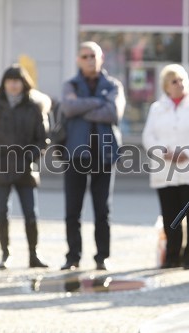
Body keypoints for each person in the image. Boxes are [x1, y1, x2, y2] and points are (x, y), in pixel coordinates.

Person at [0, 64, 51, 270]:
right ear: (4, 83)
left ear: (24, 83)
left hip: (25, 169)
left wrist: (29, 157)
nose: (14, 85)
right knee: (1, 212)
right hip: (0, 167)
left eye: (17, 80)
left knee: (30, 213)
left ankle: (33, 254)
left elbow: (42, 139)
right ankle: (5, 254)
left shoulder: (34, 108)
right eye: (10, 80)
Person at [142, 64, 189, 270]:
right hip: (165, 171)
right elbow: (148, 137)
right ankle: (172, 256)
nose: (180, 84)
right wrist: (163, 152)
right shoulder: (157, 108)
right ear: (166, 86)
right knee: (170, 215)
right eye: (175, 81)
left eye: (183, 79)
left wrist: (187, 152)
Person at [59, 41, 125, 271]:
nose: (89, 60)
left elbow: (114, 112)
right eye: (85, 56)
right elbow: (68, 108)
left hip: (104, 155)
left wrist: (83, 108)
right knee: (72, 210)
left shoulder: (113, 85)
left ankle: (102, 257)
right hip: (76, 154)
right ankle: (73, 257)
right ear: (78, 59)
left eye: (93, 56)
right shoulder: (71, 85)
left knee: (102, 210)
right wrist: (98, 103)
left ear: (101, 58)